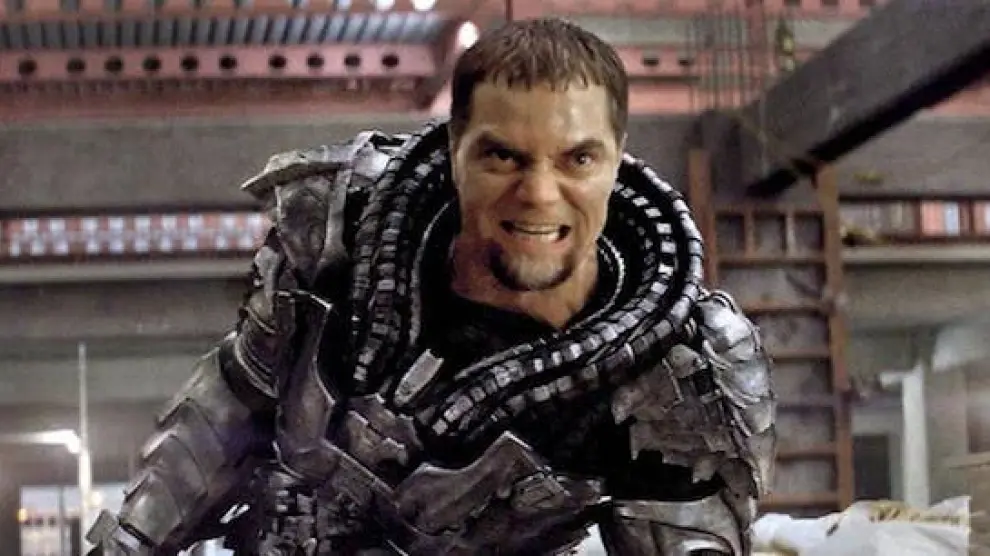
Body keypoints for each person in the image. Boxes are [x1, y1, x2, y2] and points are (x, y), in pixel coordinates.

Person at [86, 17, 776, 556]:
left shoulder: (678, 370)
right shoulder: (342, 226)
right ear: (454, 151)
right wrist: (132, 542)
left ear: (616, 162)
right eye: (502, 156)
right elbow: (234, 396)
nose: (539, 194)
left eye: (577, 159)